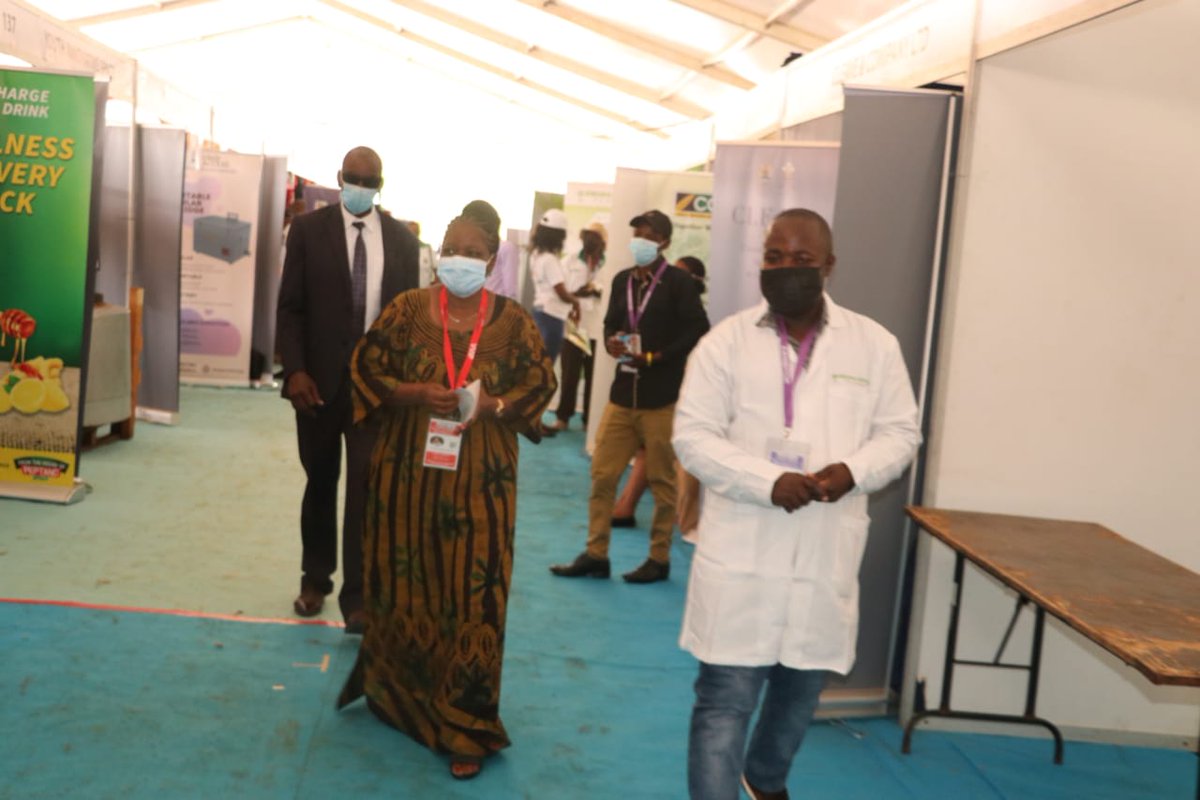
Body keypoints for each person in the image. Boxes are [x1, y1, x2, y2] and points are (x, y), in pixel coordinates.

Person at [671, 209, 921, 800]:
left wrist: (852, 472)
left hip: (821, 551)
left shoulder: (874, 345)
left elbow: (901, 434)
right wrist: (766, 481)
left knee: (797, 698)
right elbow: (693, 435)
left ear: (828, 267)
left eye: (801, 260)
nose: (785, 269)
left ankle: (764, 779)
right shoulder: (724, 343)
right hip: (743, 553)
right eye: (774, 258)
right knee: (723, 703)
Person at [336, 200, 557, 781]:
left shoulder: (512, 323)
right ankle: (399, 699)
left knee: (475, 596)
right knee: (405, 582)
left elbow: (541, 383)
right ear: (440, 255)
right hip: (405, 476)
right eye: (451, 250)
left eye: (473, 252)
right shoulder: (407, 309)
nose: (460, 259)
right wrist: (412, 393)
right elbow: (365, 367)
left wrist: (495, 405)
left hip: (482, 481)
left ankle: (467, 725)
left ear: (492, 260)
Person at [276, 146, 420, 630]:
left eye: (369, 180)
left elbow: (407, 323)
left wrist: (399, 384)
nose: (360, 187)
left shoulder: (401, 241)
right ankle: (315, 580)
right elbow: (290, 306)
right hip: (315, 386)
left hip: (374, 392)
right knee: (320, 484)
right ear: (339, 178)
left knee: (365, 494)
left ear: (381, 185)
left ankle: (357, 598)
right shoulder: (308, 232)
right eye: (353, 178)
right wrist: (294, 369)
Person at [550, 209, 709, 584]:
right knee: (603, 473)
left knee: (662, 480)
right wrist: (611, 341)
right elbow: (611, 322)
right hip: (622, 395)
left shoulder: (679, 284)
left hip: (660, 398)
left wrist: (656, 357)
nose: (639, 240)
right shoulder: (622, 280)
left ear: (664, 242)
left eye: (647, 235)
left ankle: (658, 558)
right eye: (636, 233)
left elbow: (698, 329)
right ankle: (596, 553)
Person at [549, 221, 606, 432]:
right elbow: (562, 290)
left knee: (594, 375)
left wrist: (596, 290)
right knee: (570, 372)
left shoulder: (608, 262)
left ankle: (589, 420)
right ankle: (563, 417)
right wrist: (582, 291)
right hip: (576, 325)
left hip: (599, 327)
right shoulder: (570, 261)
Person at [528, 208, 580, 363]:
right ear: (558, 237)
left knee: (537, 364)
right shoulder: (550, 260)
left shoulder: (536, 255)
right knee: (546, 367)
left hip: (540, 313)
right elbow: (561, 292)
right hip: (552, 318)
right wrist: (575, 302)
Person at [406, 220, 437, 289]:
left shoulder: (427, 249)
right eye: (410, 232)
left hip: (424, 293)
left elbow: (436, 271)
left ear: (419, 232)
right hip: (407, 295)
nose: (412, 234)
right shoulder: (401, 250)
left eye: (415, 231)